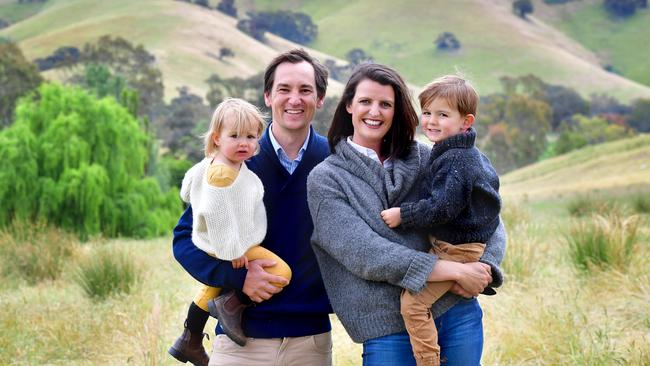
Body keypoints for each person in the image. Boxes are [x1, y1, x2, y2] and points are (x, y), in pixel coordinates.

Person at [307, 63, 506, 366]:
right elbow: (364, 252)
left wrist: (483, 269)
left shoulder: (431, 156)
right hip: (387, 328)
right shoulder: (326, 178)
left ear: (396, 110)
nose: (375, 111)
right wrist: (454, 271)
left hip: (457, 311)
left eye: (385, 104)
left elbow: (487, 216)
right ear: (349, 105)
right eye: (365, 102)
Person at [172, 49, 333, 366]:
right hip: (238, 345)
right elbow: (184, 240)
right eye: (284, 89)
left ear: (321, 99)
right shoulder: (233, 161)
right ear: (268, 96)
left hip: (311, 344)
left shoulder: (335, 160)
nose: (294, 99)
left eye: (305, 90)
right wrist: (236, 279)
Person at [379, 75, 501, 366]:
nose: (431, 121)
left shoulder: (457, 159)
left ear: (466, 121)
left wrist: (403, 215)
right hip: (459, 247)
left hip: (457, 250)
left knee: (412, 304)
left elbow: (443, 208)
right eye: (427, 113)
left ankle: (427, 360)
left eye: (443, 115)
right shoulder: (461, 153)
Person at [168, 98, 293, 366]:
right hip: (227, 244)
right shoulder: (224, 174)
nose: (244, 143)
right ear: (216, 138)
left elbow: (188, 187)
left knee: (213, 286)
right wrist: (234, 253)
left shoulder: (213, 163)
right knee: (281, 273)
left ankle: (189, 339)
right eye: (234, 136)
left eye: (250, 136)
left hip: (214, 240)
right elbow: (220, 216)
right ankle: (232, 303)